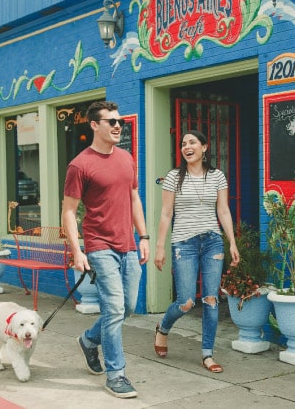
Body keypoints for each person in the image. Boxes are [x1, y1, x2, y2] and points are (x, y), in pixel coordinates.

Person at [61, 101, 149, 399]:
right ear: (94, 125)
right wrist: (77, 250)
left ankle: (88, 340)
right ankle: (117, 374)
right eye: (110, 121)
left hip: (129, 245)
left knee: (128, 307)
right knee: (113, 308)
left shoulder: (126, 158)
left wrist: (144, 237)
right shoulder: (80, 165)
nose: (117, 126)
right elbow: (69, 211)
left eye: (119, 122)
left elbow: (134, 198)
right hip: (99, 245)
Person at [153, 129, 240, 373]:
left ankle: (207, 354)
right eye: (183, 144)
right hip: (184, 243)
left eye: (192, 142)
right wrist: (160, 247)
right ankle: (163, 328)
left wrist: (232, 242)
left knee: (211, 300)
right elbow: (166, 214)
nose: (187, 147)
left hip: (212, 241)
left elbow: (223, 211)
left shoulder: (217, 177)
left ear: (205, 147)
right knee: (187, 301)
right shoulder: (173, 177)